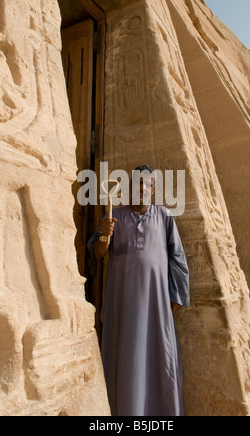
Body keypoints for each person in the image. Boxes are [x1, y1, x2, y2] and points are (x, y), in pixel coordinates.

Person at [87, 165, 190, 416]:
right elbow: (98, 254)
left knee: (158, 355)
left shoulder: (164, 216)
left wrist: (176, 299)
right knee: (126, 356)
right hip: (123, 302)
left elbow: (177, 258)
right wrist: (104, 235)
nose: (141, 188)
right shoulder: (114, 217)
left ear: (153, 189)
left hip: (156, 304)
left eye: (146, 185)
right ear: (128, 188)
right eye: (136, 184)